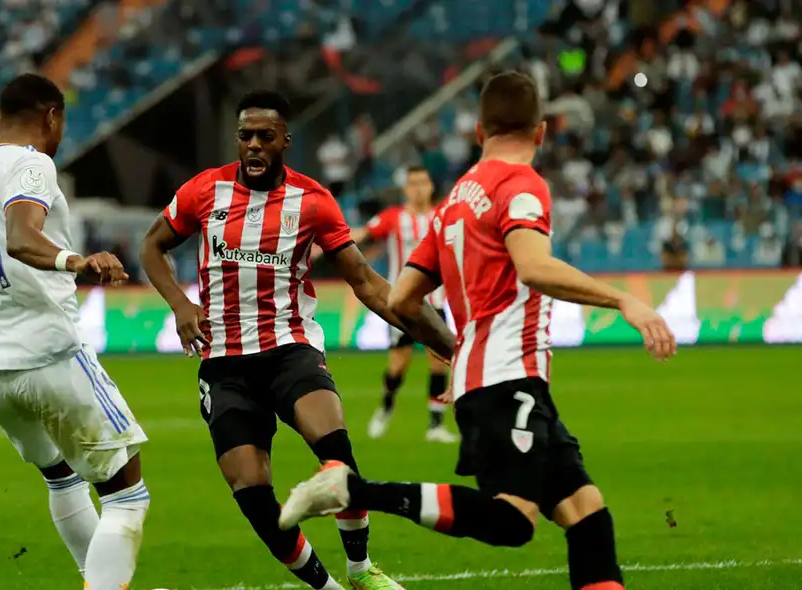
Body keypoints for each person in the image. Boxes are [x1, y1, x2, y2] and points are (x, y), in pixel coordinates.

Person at [278, 72, 678, 590]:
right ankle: (353, 490)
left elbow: (402, 298)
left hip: (488, 377)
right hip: (510, 376)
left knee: (586, 512)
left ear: (477, 130)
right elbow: (533, 267)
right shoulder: (522, 185)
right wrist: (624, 299)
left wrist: (462, 358)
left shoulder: (454, 202)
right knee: (512, 521)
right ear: (541, 132)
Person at [139, 90, 455, 590]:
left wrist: (440, 339)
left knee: (335, 450)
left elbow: (368, 283)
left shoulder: (313, 202)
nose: (255, 146)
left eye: (266, 136)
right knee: (251, 491)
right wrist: (181, 305)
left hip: (290, 348)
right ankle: (325, 588)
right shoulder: (205, 190)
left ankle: (360, 570)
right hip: (224, 364)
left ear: (286, 140)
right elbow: (152, 244)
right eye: (246, 136)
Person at [0, 73, 148, 590]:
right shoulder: (32, 163)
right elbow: (22, 237)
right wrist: (77, 260)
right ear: (51, 116)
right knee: (127, 493)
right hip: (52, 354)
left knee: (62, 477)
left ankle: (97, 580)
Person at [355, 165, 456, 443]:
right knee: (399, 365)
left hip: (434, 301)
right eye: (413, 183)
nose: (419, 188)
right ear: (406, 189)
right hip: (400, 302)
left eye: (423, 182)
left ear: (431, 186)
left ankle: (435, 426)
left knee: (439, 363)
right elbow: (364, 234)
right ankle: (387, 404)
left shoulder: (442, 217)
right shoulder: (393, 218)